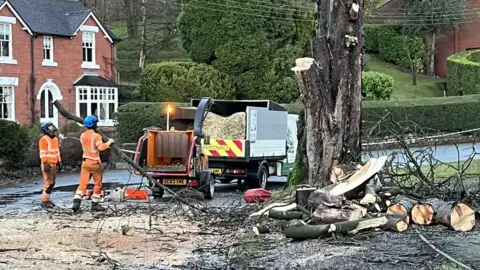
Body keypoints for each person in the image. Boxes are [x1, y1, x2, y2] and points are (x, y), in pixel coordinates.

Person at [72, 115, 114, 213]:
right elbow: (101, 147)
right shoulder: (96, 136)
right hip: (95, 163)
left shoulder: (82, 135)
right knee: (97, 184)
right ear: (94, 124)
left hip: (85, 162)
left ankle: (76, 203)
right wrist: (109, 143)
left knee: (82, 184)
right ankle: (95, 204)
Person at [39, 122, 61, 208]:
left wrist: (59, 161)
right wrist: (45, 163)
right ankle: (45, 201)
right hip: (47, 163)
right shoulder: (43, 139)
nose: (52, 130)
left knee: (52, 183)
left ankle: (47, 199)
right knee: (48, 183)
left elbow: (57, 151)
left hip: (54, 163)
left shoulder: (55, 139)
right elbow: (43, 153)